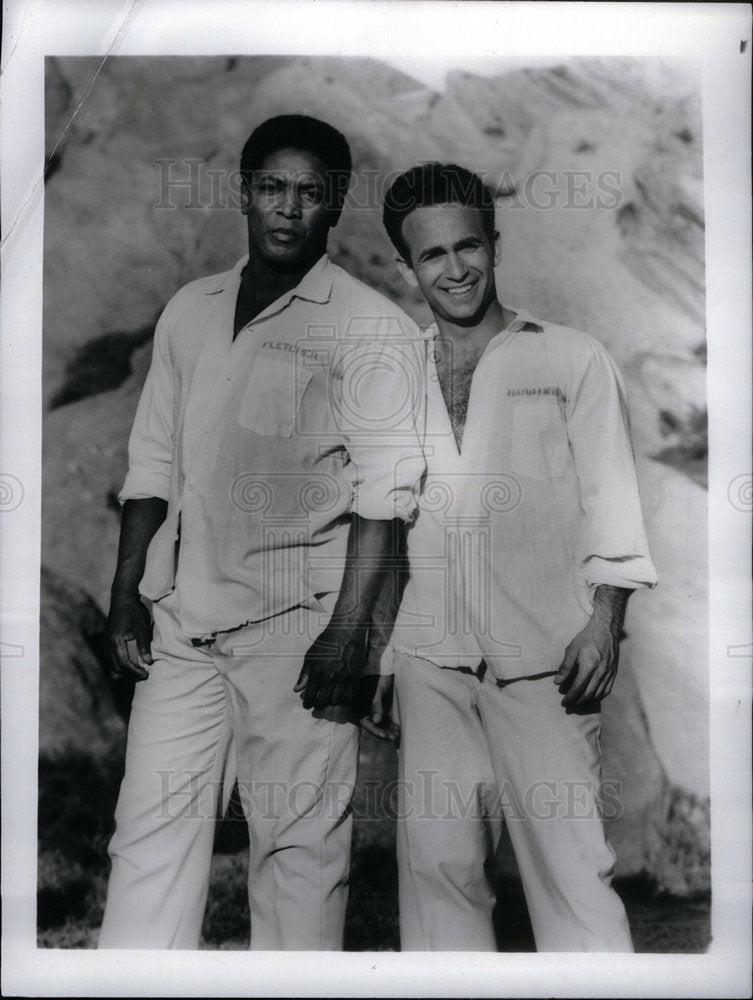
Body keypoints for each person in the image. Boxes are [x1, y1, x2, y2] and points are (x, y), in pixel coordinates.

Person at [98, 115, 424, 950]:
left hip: (299, 630)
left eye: (309, 193)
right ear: (244, 192)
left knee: (299, 855)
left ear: (334, 205)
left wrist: (346, 637)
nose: (287, 210)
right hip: (181, 625)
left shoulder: (369, 326)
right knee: (147, 842)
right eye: (272, 188)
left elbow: (385, 498)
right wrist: (126, 598)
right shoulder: (192, 308)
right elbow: (152, 467)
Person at [378, 162, 658, 952]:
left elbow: (613, 504)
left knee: (574, 881)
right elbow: (378, 520)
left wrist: (603, 623)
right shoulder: (392, 374)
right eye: (431, 255)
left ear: (494, 246)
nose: (454, 268)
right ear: (407, 266)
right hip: (429, 662)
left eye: (468, 246)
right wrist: (376, 652)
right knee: (438, 882)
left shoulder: (571, 358)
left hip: (545, 663)